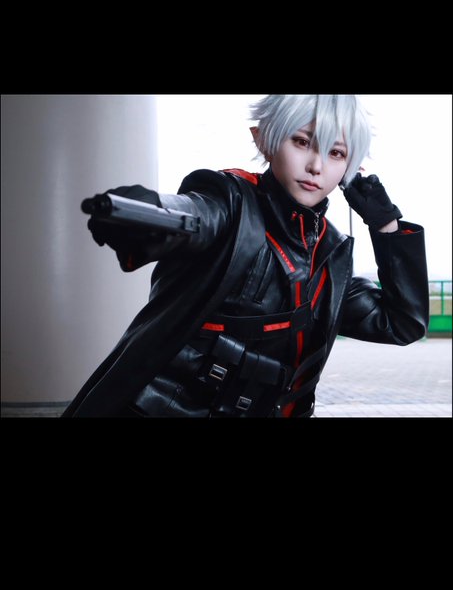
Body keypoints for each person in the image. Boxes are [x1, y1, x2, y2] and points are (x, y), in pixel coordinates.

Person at [62, 95, 429, 418]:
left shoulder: (328, 254)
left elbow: (402, 323)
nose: (316, 166)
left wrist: (386, 224)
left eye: (336, 153)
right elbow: (196, 214)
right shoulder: (230, 202)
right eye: (302, 142)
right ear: (264, 140)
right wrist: (141, 214)